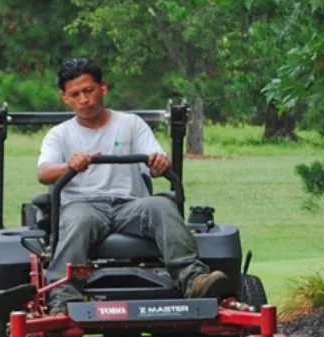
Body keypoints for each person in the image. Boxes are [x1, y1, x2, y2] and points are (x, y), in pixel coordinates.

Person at [37, 57, 234, 311]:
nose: (84, 100)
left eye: (89, 91)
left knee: (162, 205)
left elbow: (156, 158)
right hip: (84, 206)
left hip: (130, 205)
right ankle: (63, 297)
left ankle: (193, 278)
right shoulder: (59, 135)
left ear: (103, 88)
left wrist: (160, 164)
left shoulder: (131, 124)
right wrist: (70, 166)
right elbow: (44, 172)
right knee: (77, 220)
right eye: (75, 94)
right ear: (65, 98)